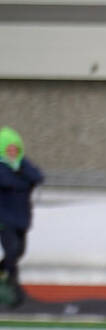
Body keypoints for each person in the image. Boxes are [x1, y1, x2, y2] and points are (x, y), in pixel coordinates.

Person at [0, 126, 43, 310]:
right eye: (8, 148)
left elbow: (38, 176)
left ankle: (6, 274)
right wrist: (23, 180)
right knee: (11, 250)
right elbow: (7, 182)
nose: (12, 152)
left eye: (15, 148)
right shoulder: (1, 167)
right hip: (4, 218)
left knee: (19, 252)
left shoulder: (22, 164)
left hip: (22, 217)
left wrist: (21, 171)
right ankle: (11, 282)